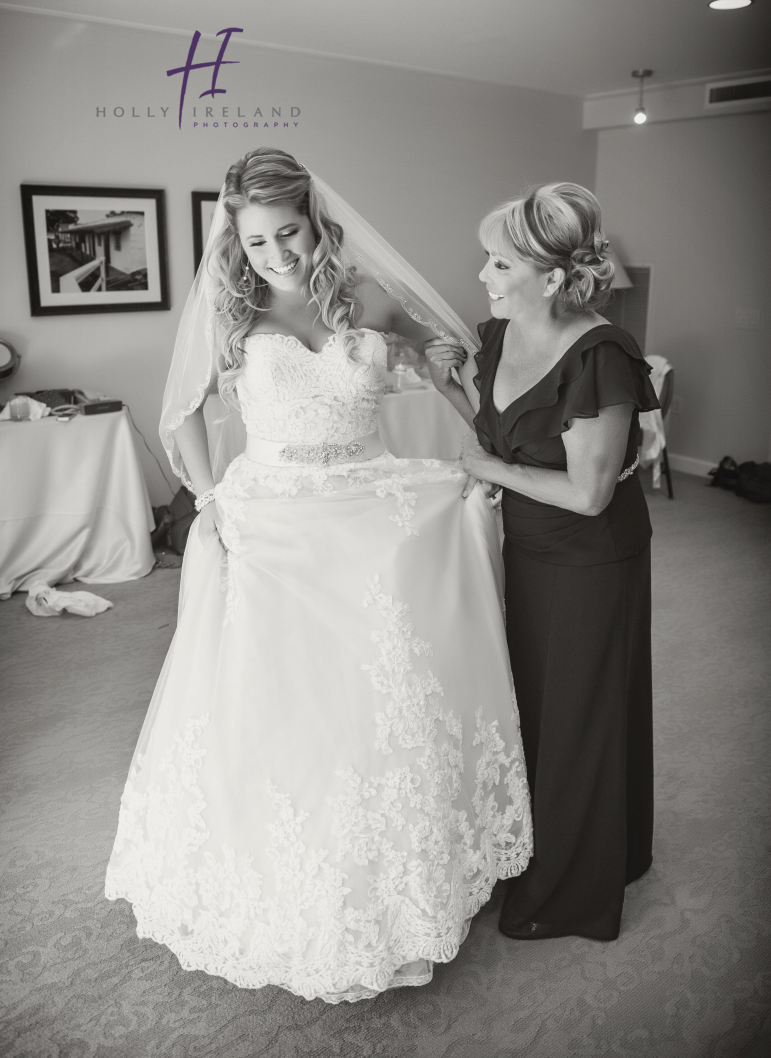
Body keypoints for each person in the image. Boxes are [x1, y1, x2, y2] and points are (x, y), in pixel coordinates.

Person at [105, 148, 532, 1003]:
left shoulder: (366, 299)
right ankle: (296, 891)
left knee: (387, 696)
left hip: (374, 504)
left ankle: (401, 890)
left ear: (316, 220)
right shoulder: (234, 308)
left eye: (288, 234)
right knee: (286, 704)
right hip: (273, 518)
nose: (275, 256)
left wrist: (478, 438)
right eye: (255, 242)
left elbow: (441, 357)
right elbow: (181, 408)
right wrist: (210, 495)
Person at [427, 182, 659, 942]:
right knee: (536, 707)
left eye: (498, 264)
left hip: (592, 560)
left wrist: (487, 473)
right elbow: (502, 440)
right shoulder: (499, 335)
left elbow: (591, 493)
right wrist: (450, 384)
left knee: (580, 716)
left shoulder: (603, 355)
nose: (484, 279)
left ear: (553, 278)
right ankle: (547, 845)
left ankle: (572, 887)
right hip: (524, 549)